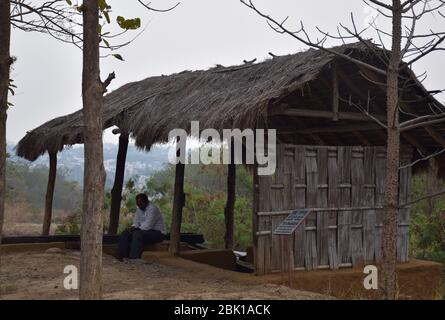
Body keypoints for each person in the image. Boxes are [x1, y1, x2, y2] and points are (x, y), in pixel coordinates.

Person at [117, 193, 166, 260]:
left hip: (158, 233)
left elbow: (148, 225)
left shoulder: (153, 209)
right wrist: (132, 228)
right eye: (138, 204)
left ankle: (134, 258)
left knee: (137, 234)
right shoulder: (139, 210)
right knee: (126, 232)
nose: (139, 206)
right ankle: (123, 257)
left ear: (146, 201)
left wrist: (135, 229)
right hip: (144, 232)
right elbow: (136, 223)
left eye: (141, 204)